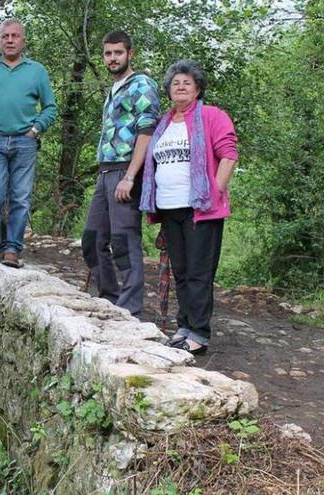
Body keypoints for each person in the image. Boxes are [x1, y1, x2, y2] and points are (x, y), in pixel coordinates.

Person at [139, 59, 239, 355]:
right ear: (169, 90)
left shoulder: (211, 116)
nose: (180, 87)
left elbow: (229, 155)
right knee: (181, 271)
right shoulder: (164, 123)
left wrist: (215, 190)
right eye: (175, 83)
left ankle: (199, 333)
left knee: (199, 271)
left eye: (187, 82)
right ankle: (184, 327)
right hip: (169, 207)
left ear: (197, 88)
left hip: (200, 208)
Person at [0, 18, 57, 268]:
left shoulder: (36, 71)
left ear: (23, 41)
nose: (10, 40)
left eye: (15, 36)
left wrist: (35, 130)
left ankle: (12, 249)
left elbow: (50, 107)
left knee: (21, 197)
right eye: (6, 36)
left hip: (24, 143)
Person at [81, 30, 159, 317]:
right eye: (108, 53)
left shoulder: (141, 85)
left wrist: (130, 176)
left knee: (123, 240)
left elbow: (146, 132)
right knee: (92, 238)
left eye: (118, 53)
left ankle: (131, 308)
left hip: (126, 171)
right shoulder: (115, 88)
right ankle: (110, 298)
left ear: (130, 54)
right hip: (105, 172)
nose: (112, 58)